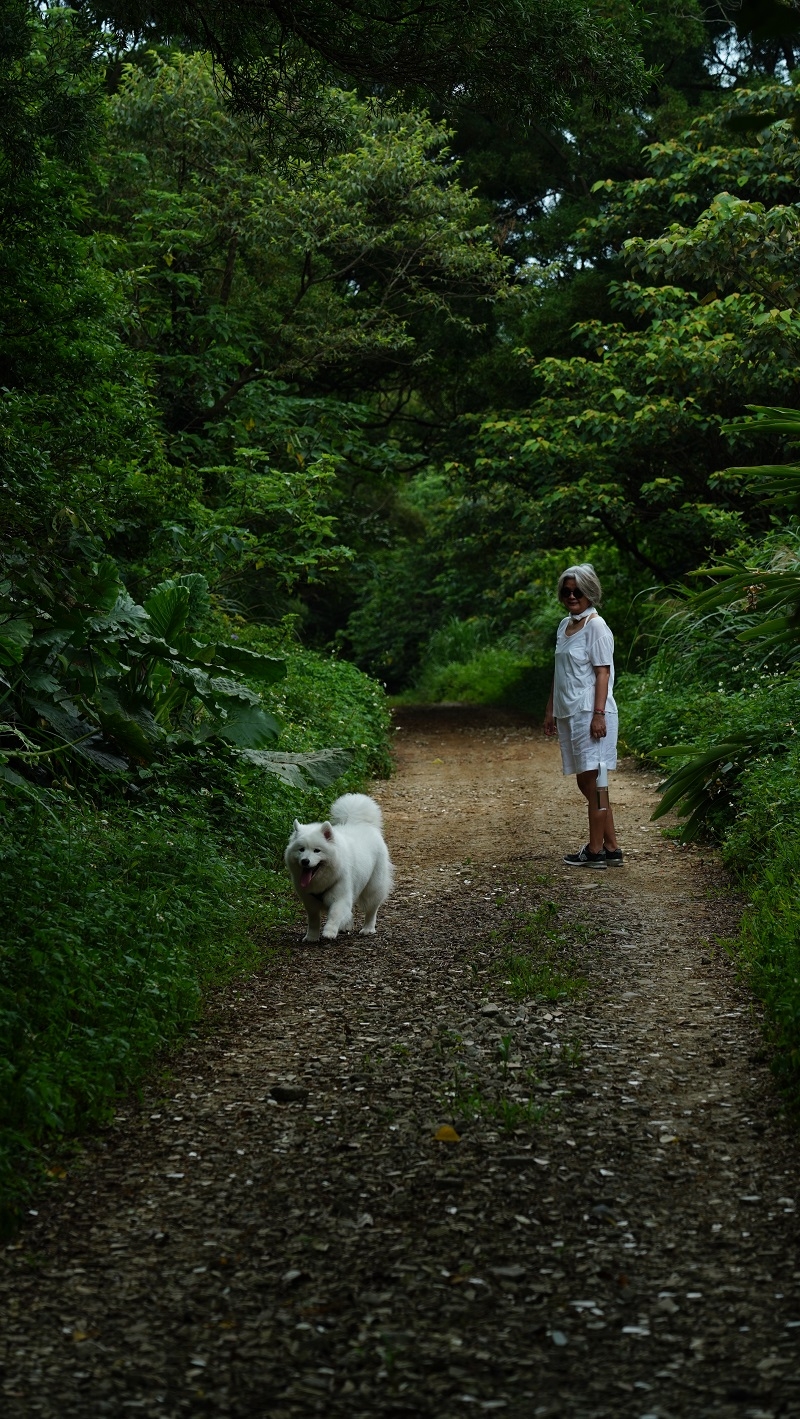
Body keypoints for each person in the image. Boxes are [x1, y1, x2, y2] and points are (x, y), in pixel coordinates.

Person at [543, 563, 623, 869]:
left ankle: (594, 850)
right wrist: (551, 708)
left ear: (590, 592)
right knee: (588, 783)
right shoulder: (565, 626)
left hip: (593, 713)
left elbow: (603, 673)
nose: (572, 596)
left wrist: (599, 715)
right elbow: (559, 672)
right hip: (570, 713)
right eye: (567, 591)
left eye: (578, 591)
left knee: (597, 783)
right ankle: (612, 847)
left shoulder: (597, 626)